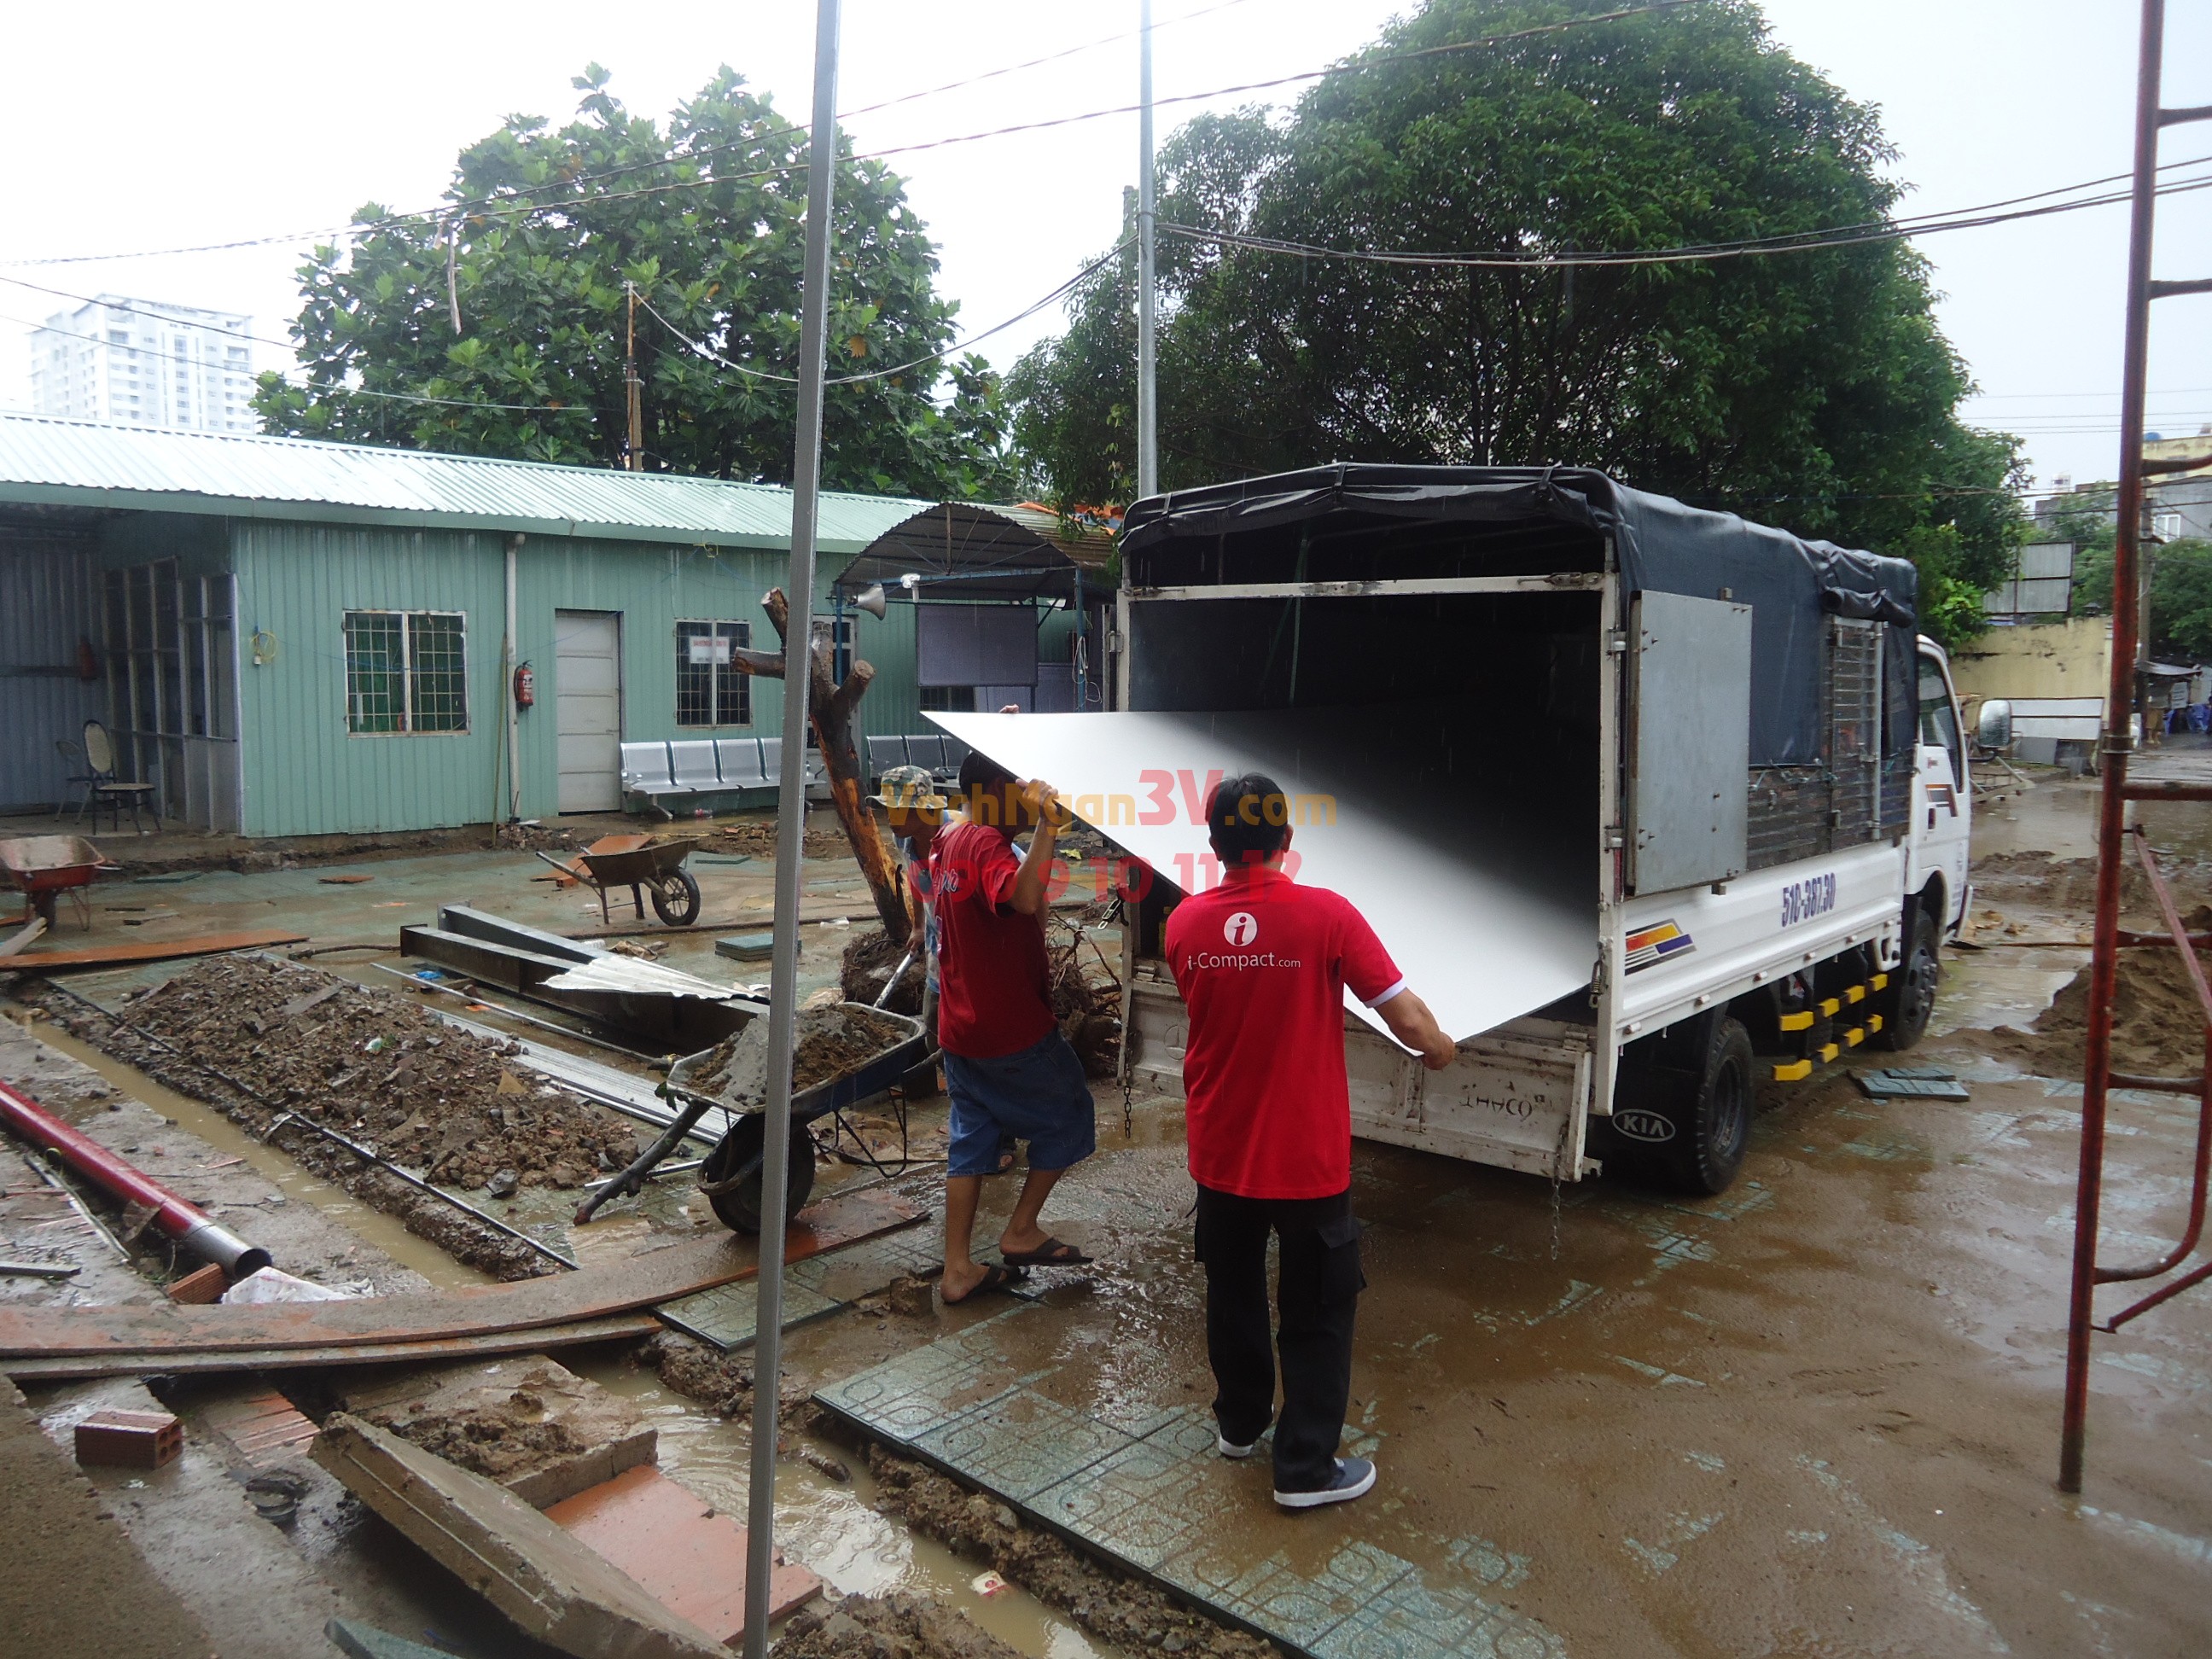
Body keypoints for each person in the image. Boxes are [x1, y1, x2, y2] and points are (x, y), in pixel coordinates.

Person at [1166, 771, 1455, 1511]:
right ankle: (1303, 1469)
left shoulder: (1184, 923)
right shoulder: (1328, 917)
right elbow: (1411, 1023)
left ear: (1214, 844)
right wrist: (1443, 1049)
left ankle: (1238, 1425)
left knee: (1231, 1290)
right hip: (1306, 1161)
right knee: (1318, 1308)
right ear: (1287, 843)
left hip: (1221, 1154)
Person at [929, 749, 1097, 1303]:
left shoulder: (954, 836)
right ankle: (1021, 1230)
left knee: (972, 1140)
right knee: (1070, 1112)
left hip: (960, 1025)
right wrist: (1050, 825)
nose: (1030, 799)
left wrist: (999, 742)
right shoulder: (986, 843)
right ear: (995, 797)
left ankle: (957, 1268)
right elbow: (1025, 898)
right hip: (1010, 1028)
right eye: (1020, 790)